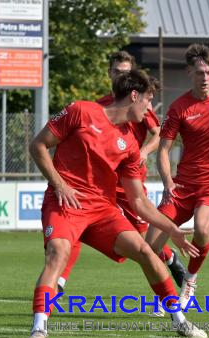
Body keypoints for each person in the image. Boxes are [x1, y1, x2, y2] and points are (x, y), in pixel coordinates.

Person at [28, 70, 207, 338]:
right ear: (134, 96)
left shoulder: (131, 146)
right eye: (148, 100)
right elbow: (38, 145)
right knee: (58, 252)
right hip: (66, 202)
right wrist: (60, 184)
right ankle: (39, 326)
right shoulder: (81, 111)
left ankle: (180, 321)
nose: (149, 108)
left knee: (147, 252)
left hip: (102, 210)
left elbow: (138, 201)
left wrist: (171, 229)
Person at [57, 51, 187, 293]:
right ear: (110, 73)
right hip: (99, 183)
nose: (121, 76)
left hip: (127, 182)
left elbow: (159, 133)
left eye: (126, 73)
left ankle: (170, 261)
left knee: (142, 237)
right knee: (74, 222)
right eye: (117, 72)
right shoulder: (98, 106)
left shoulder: (139, 105)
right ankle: (59, 281)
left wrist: (144, 152)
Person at [145, 44, 209, 310]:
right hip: (182, 186)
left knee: (201, 227)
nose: (206, 78)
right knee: (148, 249)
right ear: (189, 72)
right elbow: (163, 149)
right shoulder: (179, 108)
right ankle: (166, 293)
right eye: (200, 72)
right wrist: (167, 183)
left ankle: (190, 280)